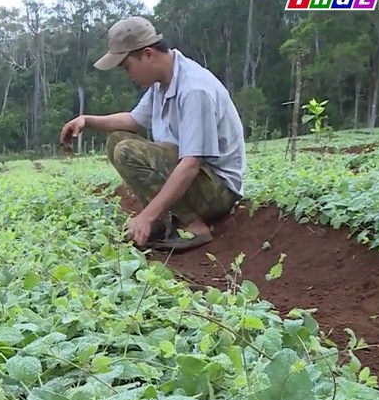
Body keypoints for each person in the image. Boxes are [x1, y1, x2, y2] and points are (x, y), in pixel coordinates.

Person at [60, 16, 246, 252]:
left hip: (218, 190)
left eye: (127, 67)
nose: (128, 74)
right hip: (199, 180)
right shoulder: (162, 83)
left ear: (148, 54)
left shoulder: (193, 89)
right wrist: (86, 120)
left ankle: (196, 227)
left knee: (128, 150)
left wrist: (145, 216)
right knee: (117, 140)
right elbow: (132, 120)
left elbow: (190, 164)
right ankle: (160, 222)